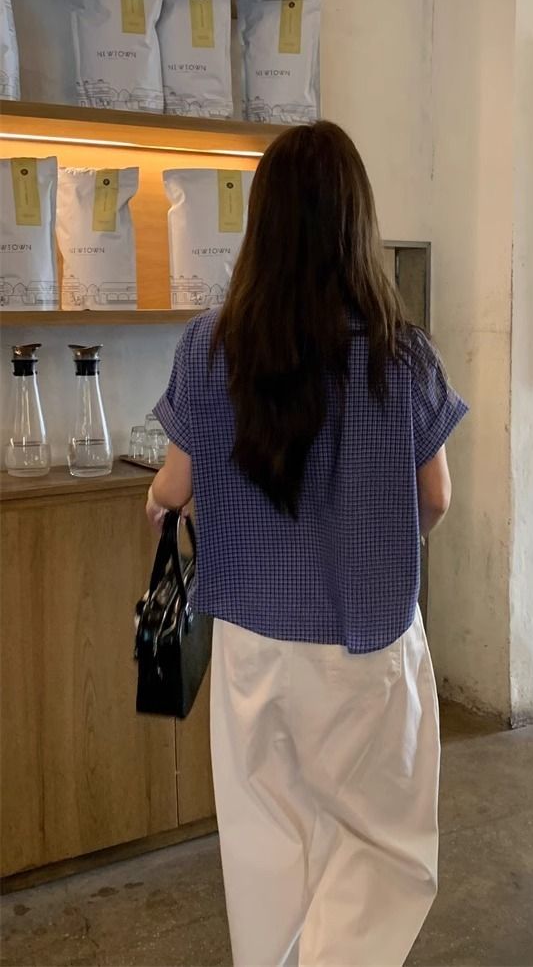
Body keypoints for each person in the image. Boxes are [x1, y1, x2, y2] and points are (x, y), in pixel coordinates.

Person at [146, 121, 468, 967]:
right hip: (366, 636)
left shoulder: (208, 345)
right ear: (357, 225)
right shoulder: (401, 355)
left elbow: (173, 487)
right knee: (385, 850)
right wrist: (381, 537)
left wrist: (160, 501)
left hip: (249, 643)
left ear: (263, 224)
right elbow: (436, 497)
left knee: (267, 849)